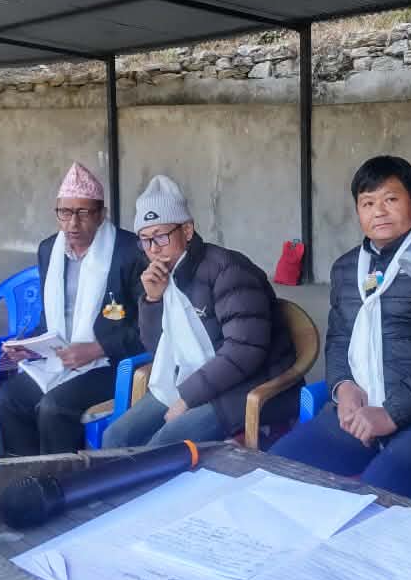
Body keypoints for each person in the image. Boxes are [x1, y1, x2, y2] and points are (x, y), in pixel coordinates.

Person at [270, 156, 411, 503]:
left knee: (375, 497)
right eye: (368, 203)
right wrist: (344, 387)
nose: (379, 212)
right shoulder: (348, 268)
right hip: (364, 413)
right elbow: (339, 338)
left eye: (390, 199)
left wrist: (392, 413)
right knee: (277, 467)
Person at [101, 175, 299, 447]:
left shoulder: (228, 270)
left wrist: (188, 399)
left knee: (163, 445)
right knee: (115, 437)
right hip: (193, 379)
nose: (154, 249)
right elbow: (158, 348)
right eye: (145, 240)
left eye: (161, 236)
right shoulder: (164, 275)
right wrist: (153, 300)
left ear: (187, 230)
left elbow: (245, 350)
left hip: (248, 385)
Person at [0, 163, 146, 456]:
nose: (73, 223)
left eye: (83, 213)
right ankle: (25, 475)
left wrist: (97, 349)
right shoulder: (50, 249)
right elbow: (50, 319)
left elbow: (149, 325)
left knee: (54, 408)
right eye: (65, 212)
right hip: (60, 358)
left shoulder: (129, 252)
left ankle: (61, 478)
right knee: (4, 401)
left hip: (111, 361)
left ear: (101, 214)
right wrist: (29, 345)